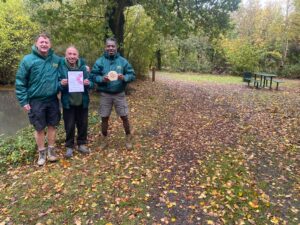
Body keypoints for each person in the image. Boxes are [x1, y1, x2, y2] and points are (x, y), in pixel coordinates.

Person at [15, 33, 61, 166]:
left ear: (50, 45)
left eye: (46, 42)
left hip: (52, 99)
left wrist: (83, 67)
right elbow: (20, 82)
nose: (44, 44)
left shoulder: (56, 60)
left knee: (53, 125)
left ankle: (51, 151)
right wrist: (23, 101)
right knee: (39, 128)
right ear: (36, 43)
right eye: (41, 42)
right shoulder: (27, 60)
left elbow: (70, 64)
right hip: (36, 100)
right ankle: (41, 153)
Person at [91, 37, 135, 150]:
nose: (110, 48)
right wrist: (102, 79)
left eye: (113, 46)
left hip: (119, 93)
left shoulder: (123, 61)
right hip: (105, 94)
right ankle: (104, 140)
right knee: (104, 117)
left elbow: (132, 75)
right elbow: (93, 76)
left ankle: (128, 137)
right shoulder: (100, 61)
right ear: (105, 47)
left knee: (124, 116)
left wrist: (124, 77)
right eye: (108, 46)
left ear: (116, 47)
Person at [58, 46, 93, 158]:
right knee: (69, 125)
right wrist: (61, 83)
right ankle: (69, 146)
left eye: (74, 54)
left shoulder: (84, 67)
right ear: (66, 55)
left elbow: (92, 83)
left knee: (83, 124)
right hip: (68, 101)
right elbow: (56, 83)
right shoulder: (61, 67)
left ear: (77, 56)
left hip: (82, 101)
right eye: (70, 54)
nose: (72, 56)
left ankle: (82, 144)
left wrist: (89, 83)